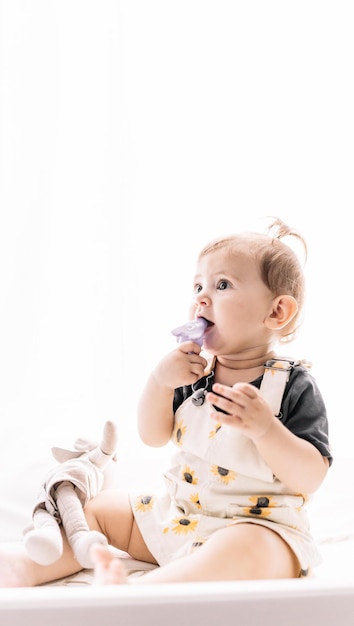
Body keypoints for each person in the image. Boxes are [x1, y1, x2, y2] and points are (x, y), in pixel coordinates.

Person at [0, 217, 332, 587]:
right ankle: (26, 566)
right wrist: (159, 382)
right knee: (99, 510)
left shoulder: (292, 386)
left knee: (247, 548)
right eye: (197, 286)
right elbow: (153, 435)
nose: (201, 298)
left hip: (258, 525)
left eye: (223, 285)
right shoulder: (194, 374)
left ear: (276, 312)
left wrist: (266, 429)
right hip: (180, 515)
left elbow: (311, 475)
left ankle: (151, 591)